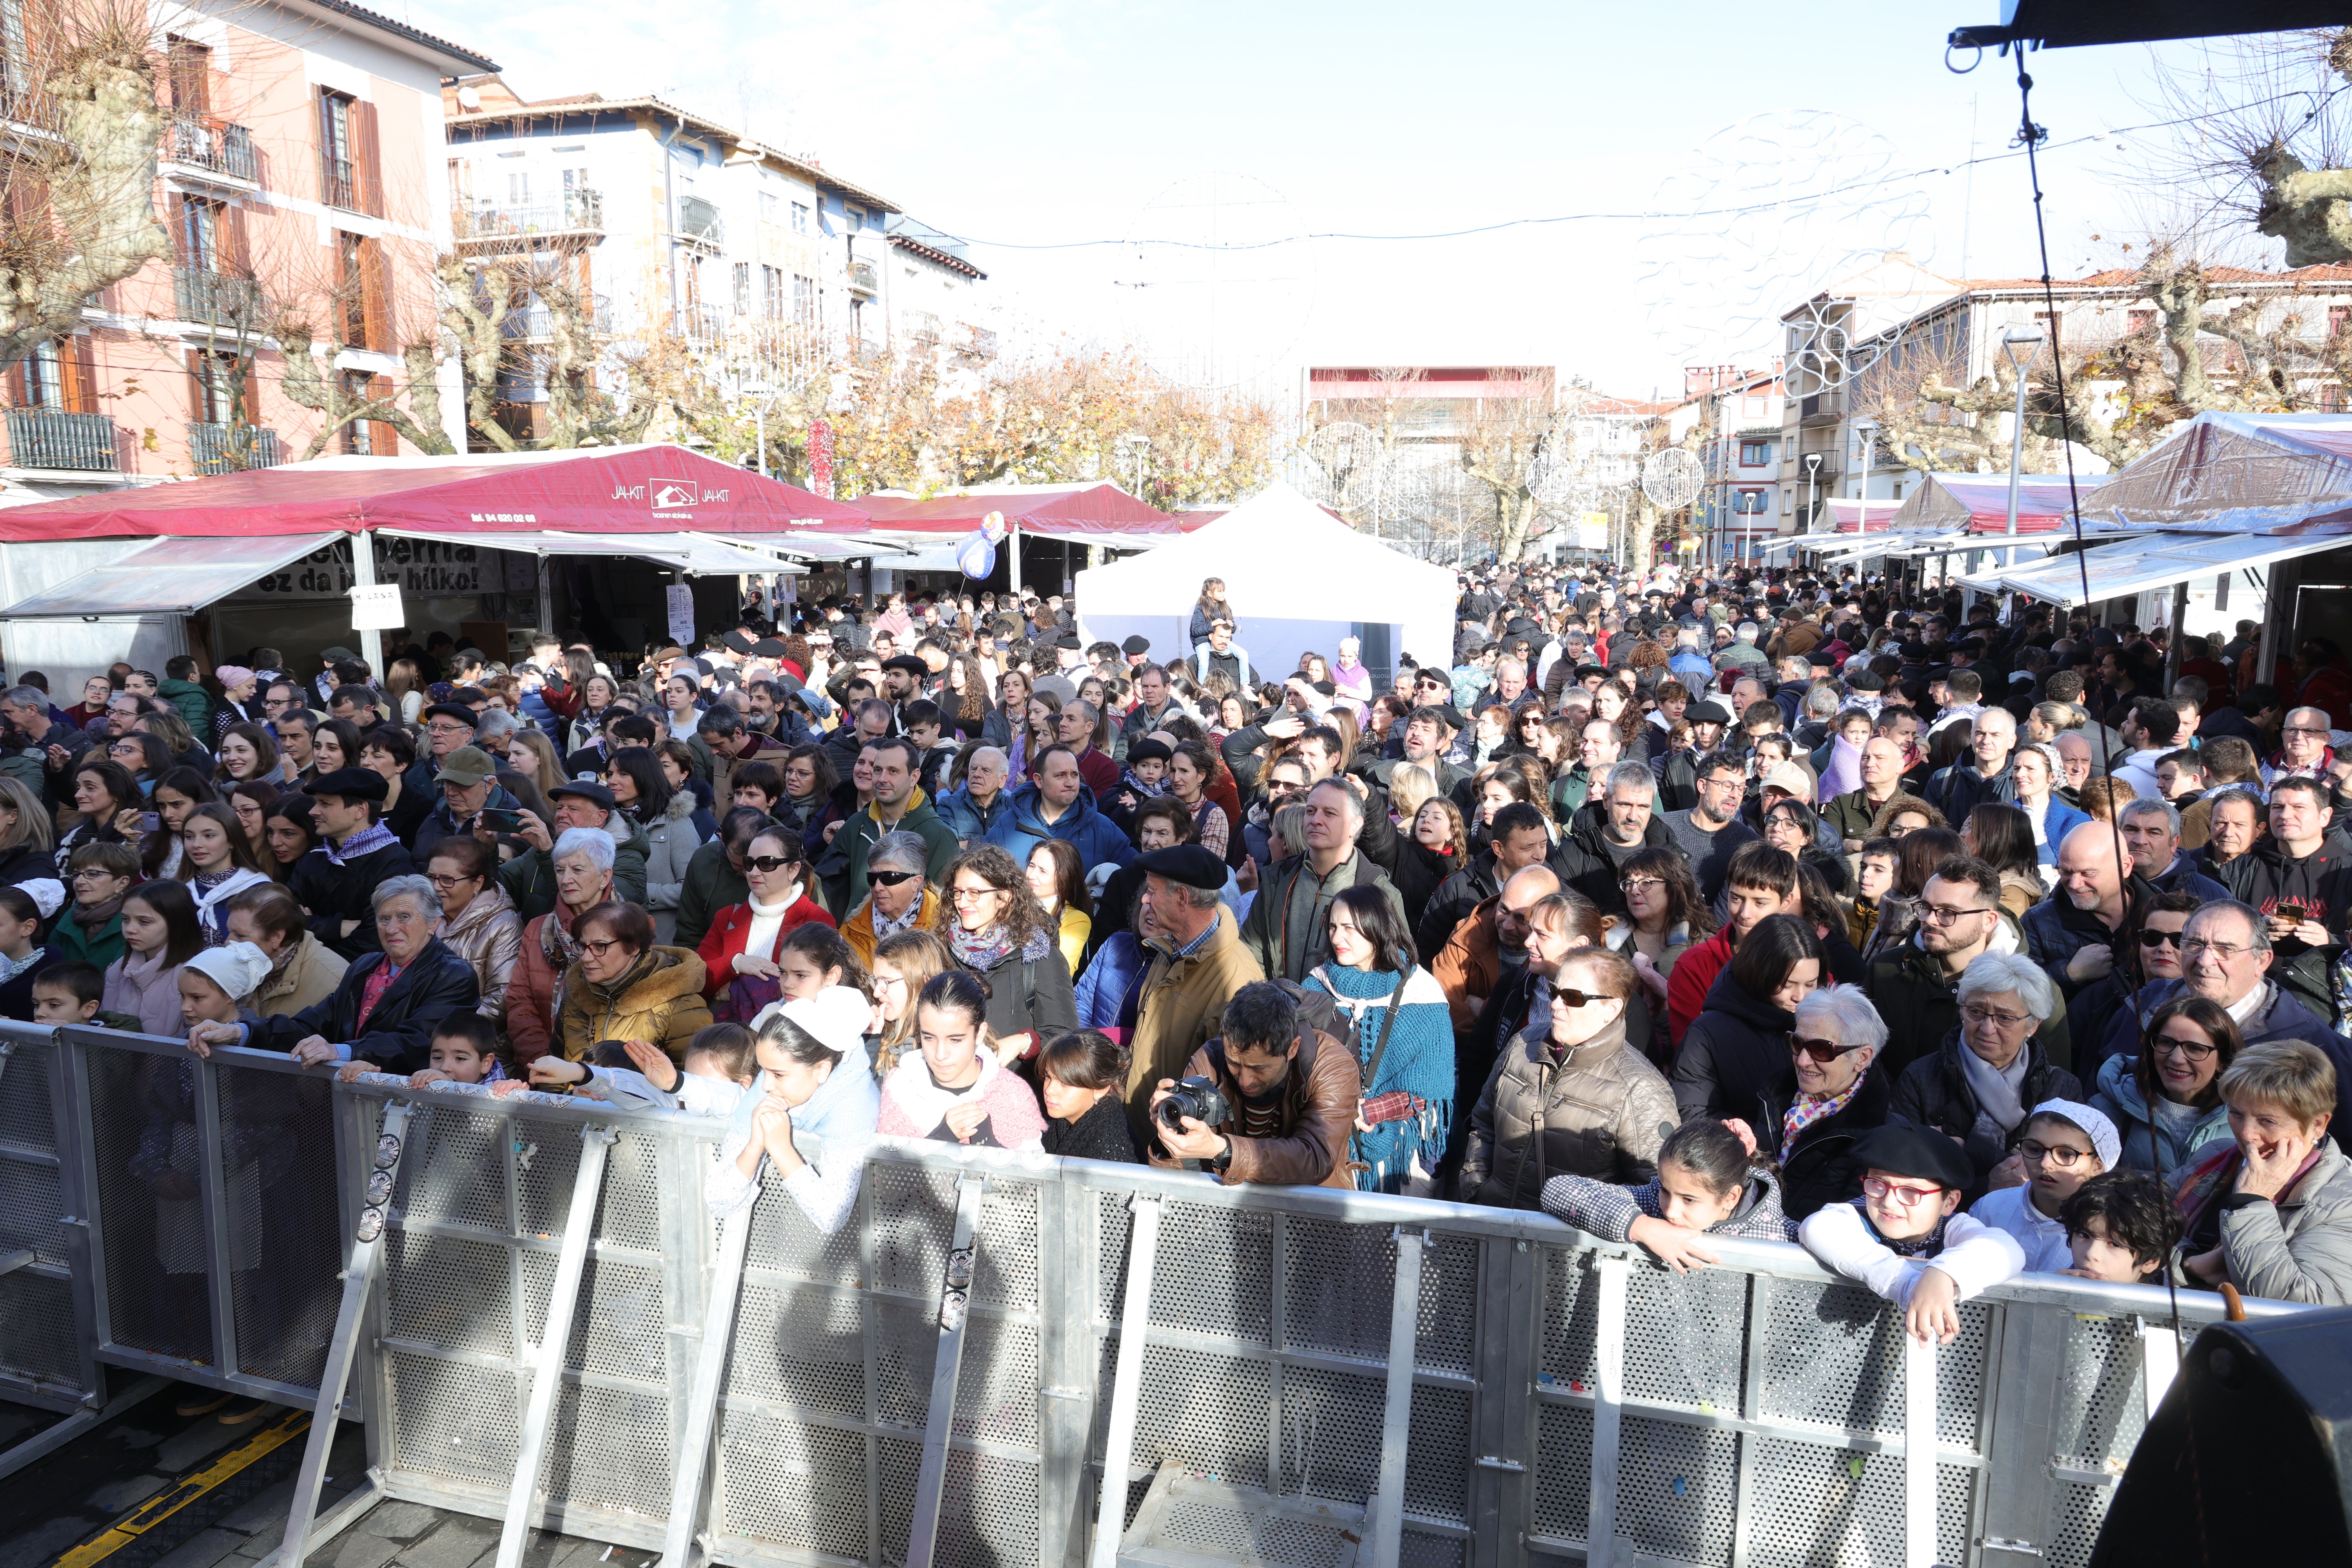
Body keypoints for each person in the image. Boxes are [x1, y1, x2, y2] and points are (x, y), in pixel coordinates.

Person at [1460, 947, 1676, 1209]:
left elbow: (1654, 1190)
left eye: (1572, 997)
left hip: (1570, 1245)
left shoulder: (1642, 1088)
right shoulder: (1522, 1043)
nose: (1554, 1004)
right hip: (1494, 1222)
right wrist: (1476, 1188)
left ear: (1611, 1009)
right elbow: (1483, 1124)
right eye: (1554, 991)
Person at [196, 875, 478, 1075]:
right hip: (352, 1095)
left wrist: (342, 1052)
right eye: (383, 918)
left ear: (433, 924)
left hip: (408, 1102)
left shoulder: (454, 974)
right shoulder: (365, 965)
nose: (391, 929)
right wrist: (239, 1031)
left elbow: (416, 1042)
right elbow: (313, 1023)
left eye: (404, 917)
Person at [1797, 1123, 2027, 1344]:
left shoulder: (1953, 1227)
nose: (1889, 1202)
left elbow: (2006, 1250)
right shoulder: (1854, 1216)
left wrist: (1941, 1274)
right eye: (1878, 1184)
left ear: (1949, 1202)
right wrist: (1908, 1285)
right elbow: (1817, 1227)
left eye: (1911, 1191)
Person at [1890, 951, 2083, 1199]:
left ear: (2033, 1025)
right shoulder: (1921, 1078)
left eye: (2005, 1018)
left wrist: (1968, 1151)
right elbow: (1901, 1170)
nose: (1987, 1028)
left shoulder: (2061, 1090)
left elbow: (2067, 1177)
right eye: (1976, 1012)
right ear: (1962, 1010)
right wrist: (1988, 1187)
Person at [2172, 1040, 2352, 1305]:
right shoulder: (2213, 1157)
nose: (2246, 1134)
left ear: (2317, 1125)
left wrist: (2252, 1202)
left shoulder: (2342, 1203)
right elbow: (2131, 1238)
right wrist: (2189, 1264)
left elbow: (2310, 1305)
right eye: (2236, 1113)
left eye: (2267, 1121)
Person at [1303, 884, 1454, 1195]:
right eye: (1333, 926)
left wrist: (1373, 1111)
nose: (1336, 938)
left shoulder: (1422, 995)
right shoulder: (1314, 987)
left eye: (1349, 928)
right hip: (1324, 1141)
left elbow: (1431, 1094)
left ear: (1377, 927)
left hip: (1398, 1153)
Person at [1866, 854, 2065, 1080]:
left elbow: (2051, 1084)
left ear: (1988, 921)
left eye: (1949, 912)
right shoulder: (1886, 968)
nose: (1931, 920)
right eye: (1926, 907)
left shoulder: (2034, 989)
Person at [697, 990, 880, 1235]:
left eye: (778, 1075)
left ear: (822, 1070)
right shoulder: (775, 1083)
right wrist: (755, 1145)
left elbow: (833, 1216)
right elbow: (718, 1201)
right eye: (764, 1071)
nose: (765, 1086)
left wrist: (782, 1149)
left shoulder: (854, 1105)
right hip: (775, 1241)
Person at [1149, 980, 1361, 1188]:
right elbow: (1182, 1171)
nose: (1244, 1080)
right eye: (1234, 1064)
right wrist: (1170, 1133)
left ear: (1292, 1048)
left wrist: (1224, 1150)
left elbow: (1316, 1157)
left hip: (1313, 1210)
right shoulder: (1207, 1062)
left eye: (1259, 1068)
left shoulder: (1333, 1064)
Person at [1541, 1118, 1793, 1271]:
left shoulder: (1782, 1238)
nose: (1670, 1210)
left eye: (1689, 1199)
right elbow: (1556, 1190)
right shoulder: (1651, 1204)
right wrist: (1641, 1226)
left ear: (1731, 1197)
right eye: (1665, 1189)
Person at [1242, 778, 1407, 984]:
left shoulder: (1382, 895)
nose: (1316, 820)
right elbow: (1250, 953)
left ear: (1355, 826)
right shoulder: (1276, 880)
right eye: (1311, 811)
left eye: (1329, 813)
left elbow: (1394, 969)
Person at [2219, 775, 2349, 1024]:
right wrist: (2255, 931)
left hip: (2326, 1000)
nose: (2285, 815)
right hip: (2250, 997)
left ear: (2325, 816)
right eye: (2278, 807)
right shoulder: (2241, 868)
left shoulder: (2348, 870)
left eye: (2299, 807)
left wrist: (2330, 941)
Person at [877, 970, 1049, 1150]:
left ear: (979, 1034)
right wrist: (941, 1137)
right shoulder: (901, 1087)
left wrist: (985, 1140)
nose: (940, 1054)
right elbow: (883, 1171)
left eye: (955, 1040)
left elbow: (1032, 1175)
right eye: (929, 1038)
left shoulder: (1012, 1094)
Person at [938, 844, 1078, 1061]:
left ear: (1004, 898)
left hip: (1014, 1085)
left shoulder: (1038, 953)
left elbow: (1065, 1036)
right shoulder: (941, 948)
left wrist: (1025, 1041)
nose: (962, 903)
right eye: (957, 892)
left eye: (975, 893)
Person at [1665, 841, 1800, 1044]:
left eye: (1760, 903)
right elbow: (1689, 1047)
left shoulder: (1806, 961)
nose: (1745, 914)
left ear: (1786, 903)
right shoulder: (1694, 966)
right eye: (1736, 899)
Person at [2092, 993, 2241, 1177]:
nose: (2177, 1059)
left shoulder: (2247, 1121)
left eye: (2195, 1048)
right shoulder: (2105, 1109)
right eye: (2166, 1043)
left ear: (2223, 1061)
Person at [699, 823, 836, 1022]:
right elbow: (695, 979)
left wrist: (737, 990)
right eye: (749, 863)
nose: (754, 872)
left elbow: (819, 994)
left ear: (794, 870)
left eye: (767, 863)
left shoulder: (817, 920)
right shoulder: (726, 917)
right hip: (723, 1035)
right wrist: (736, 963)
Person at [504, 826, 619, 1063]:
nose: (566, 880)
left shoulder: (633, 928)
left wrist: (588, 1071)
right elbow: (519, 1002)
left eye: (577, 870)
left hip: (603, 1072)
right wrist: (543, 1060)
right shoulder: (537, 928)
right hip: (540, 1064)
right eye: (560, 870)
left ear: (605, 877)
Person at [549, 900, 713, 1062]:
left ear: (634, 947)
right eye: (582, 946)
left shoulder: (682, 1006)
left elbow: (693, 1083)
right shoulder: (575, 998)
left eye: (600, 946)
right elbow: (554, 1074)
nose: (585, 958)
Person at [1967, 1099, 2121, 1271]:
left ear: (2098, 1167)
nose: (2046, 1163)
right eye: (2034, 1149)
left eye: (2066, 1154)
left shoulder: (2110, 1233)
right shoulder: (1991, 1207)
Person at [287, 767, 416, 961]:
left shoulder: (395, 863)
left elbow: (376, 940)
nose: (313, 812)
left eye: (325, 804)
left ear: (360, 810)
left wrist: (309, 923)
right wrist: (338, 927)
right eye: (316, 803)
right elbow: (281, 919)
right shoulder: (315, 856)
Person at [984, 743, 1135, 874]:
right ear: (1039, 780)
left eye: (1074, 775)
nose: (1070, 783)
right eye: (1060, 776)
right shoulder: (1008, 826)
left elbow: (1136, 874)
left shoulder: (1103, 829)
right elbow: (983, 875)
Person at [425, 835, 522, 1022]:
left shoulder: (503, 926)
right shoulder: (422, 914)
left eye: (447, 879)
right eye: (431, 877)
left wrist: (437, 1025)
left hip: (470, 1040)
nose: (435, 887)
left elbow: (501, 1000)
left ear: (477, 882)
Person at [223, 884, 348, 1017]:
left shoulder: (335, 983)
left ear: (276, 937)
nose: (228, 942)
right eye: (230, 932)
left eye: (240, 936)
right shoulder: (236, 963)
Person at [102, 879, 204, 1035]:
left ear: (176, 923)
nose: (130, 929)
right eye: (125, 919)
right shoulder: (117, 969)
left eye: (144, 922)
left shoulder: (195, 975)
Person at [1037, 1029, 1150, 1163]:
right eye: (1048, 1077)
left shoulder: (1110, 1152)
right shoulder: (1057, 1117)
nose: (1050, 1090)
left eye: (1065, 1083)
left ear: (1100, 1089)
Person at [1663, 755, 1760, 904]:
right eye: (1727, 786)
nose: (1735, 795)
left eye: (1741, 788)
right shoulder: (1663, 827)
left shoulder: (1751, 846)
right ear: (1703, 786)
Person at [175, 803, 272, 940]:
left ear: (232, 840)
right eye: (189, 837)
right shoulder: (179, 889)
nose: (197, 844)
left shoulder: (258, 889)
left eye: (209, 836)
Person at [868, 928, 951, 1076]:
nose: (876, 992)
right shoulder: (879, 1030)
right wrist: (871, 1039)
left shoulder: (939, 1049)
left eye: (886, 982)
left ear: (922, 983)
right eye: (875, 981)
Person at [55, 839, 140, 970]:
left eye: (93, 874)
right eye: (76, 875)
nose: (79, 881)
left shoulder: (135, 924)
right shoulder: (70, 916)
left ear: (122, 883)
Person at [1025, 838, 1093, 979]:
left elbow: (1057, 973)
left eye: (1043, 871)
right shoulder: (1012, 902)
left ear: (1064, 878)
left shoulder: (1076, 920)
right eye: (1031, 866)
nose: (1031, 876)